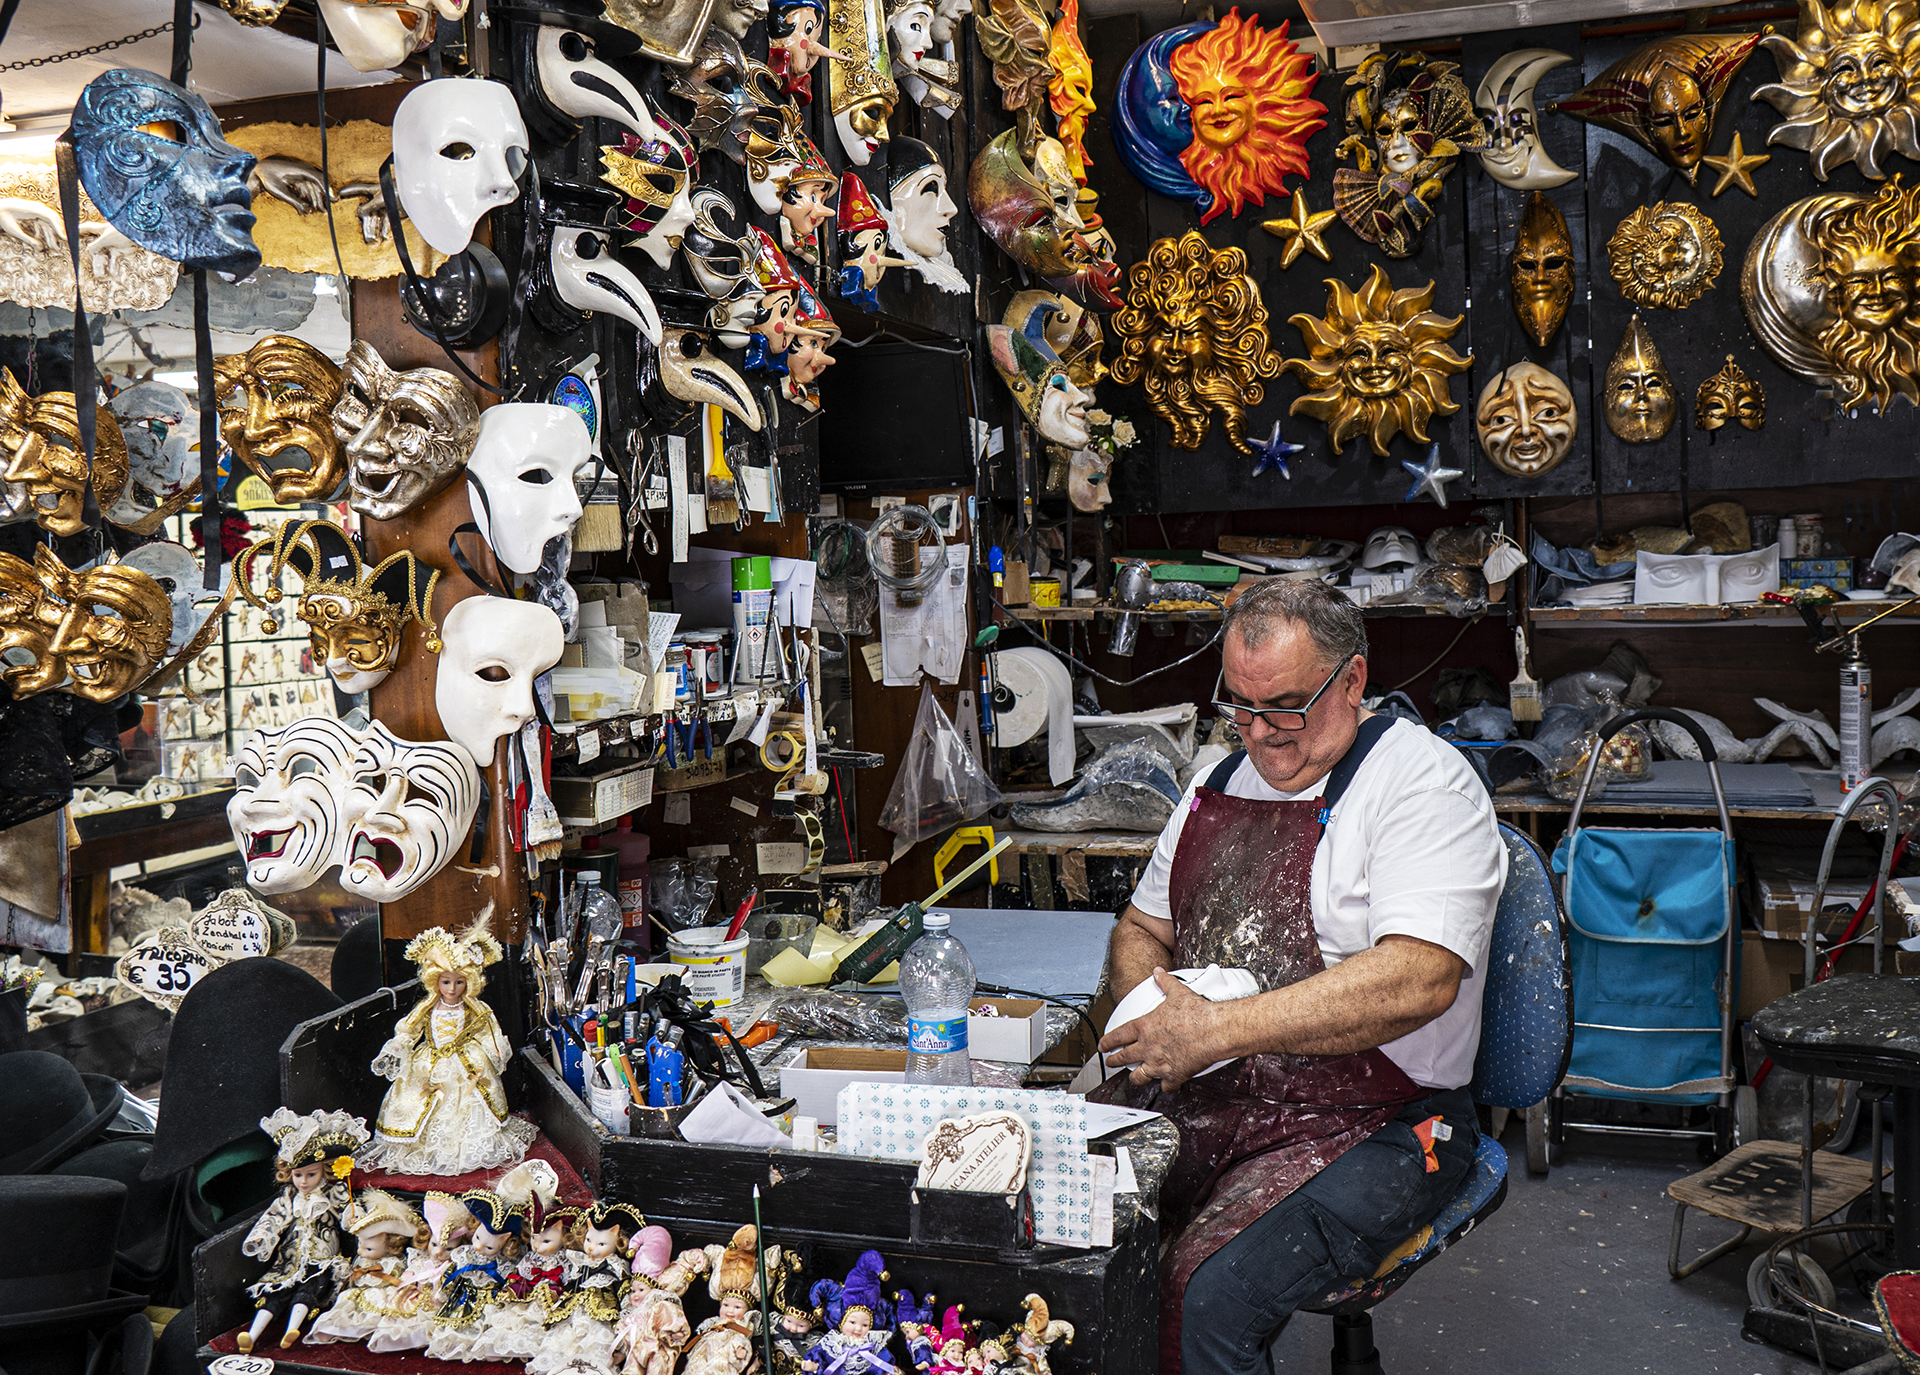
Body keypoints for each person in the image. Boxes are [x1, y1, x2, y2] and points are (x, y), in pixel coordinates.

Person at [1094, 578, 1505, 1374]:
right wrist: (1155, 1002)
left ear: (1351, 680)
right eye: (1239, 708)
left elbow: (1420, 976)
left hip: (1390, 1124)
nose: (1261, 736)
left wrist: (1215, 1030)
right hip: (1220, 1095)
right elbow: (1141, 928)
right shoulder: (1215, 783)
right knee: (1074, 1224)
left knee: (1206, 1290)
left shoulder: (1423, 784)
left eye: (1286, 705)